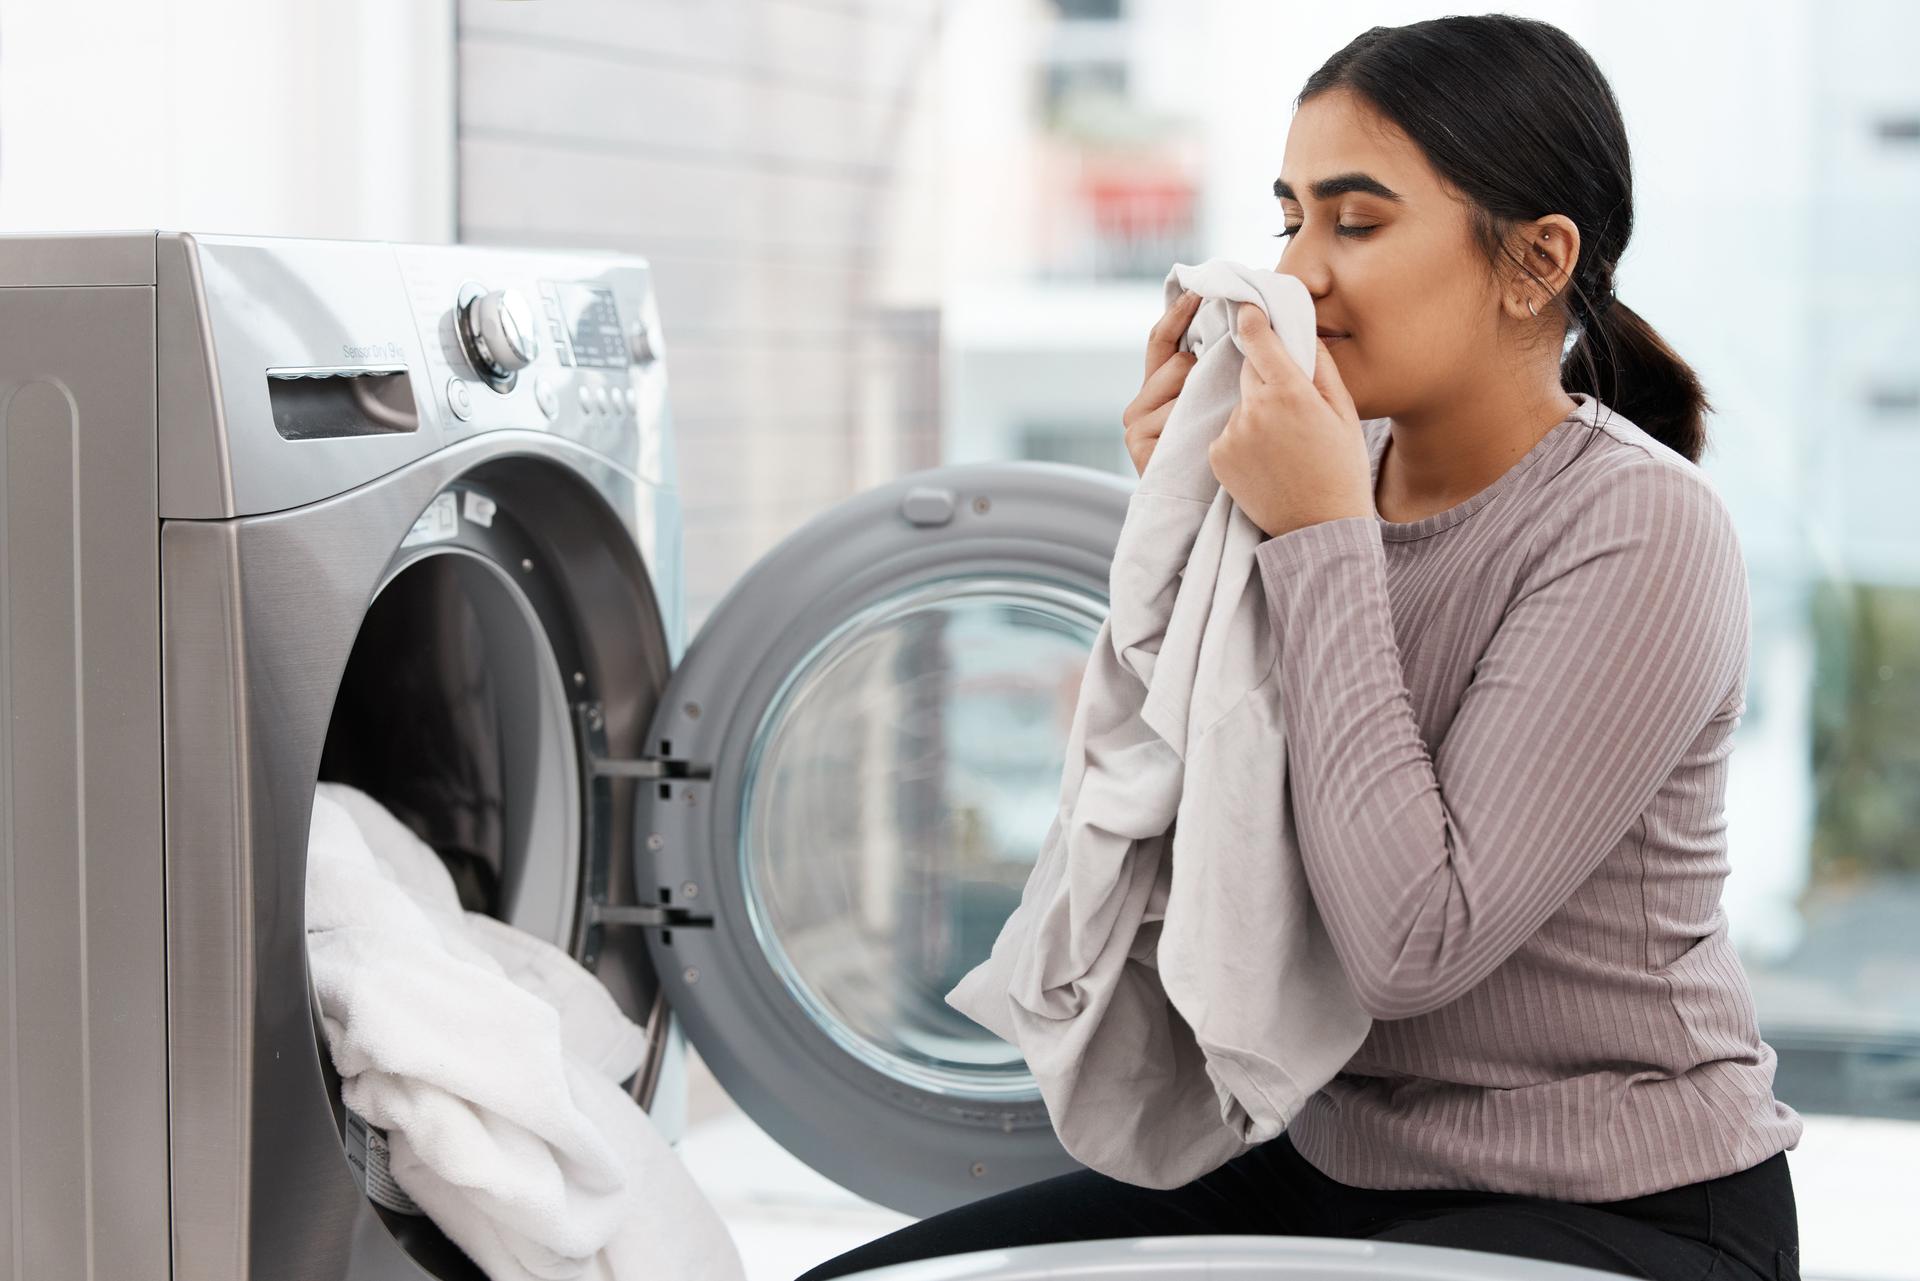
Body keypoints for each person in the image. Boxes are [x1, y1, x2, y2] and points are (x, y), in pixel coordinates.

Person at [797, 14, 1800, 1281]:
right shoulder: (1316, 483)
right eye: (1290, 220)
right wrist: (1189, 524)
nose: (1301, 273)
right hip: (1337, 1161)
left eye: (1358, 222)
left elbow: (1411, 945)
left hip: (1623, 1202)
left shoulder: (1640, 526)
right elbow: (1214, 834)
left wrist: (1319, 534)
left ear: (1536, 260)